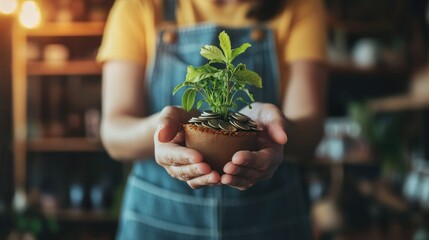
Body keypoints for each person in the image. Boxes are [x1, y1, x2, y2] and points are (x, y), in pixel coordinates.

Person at [97, 0, 327, 239]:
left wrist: (274, 130)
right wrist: (167, 130)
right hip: (158, 218)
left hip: (270, 218)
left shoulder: (301, 6)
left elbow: (311, 132)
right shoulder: (139, 5)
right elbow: (114, 134)